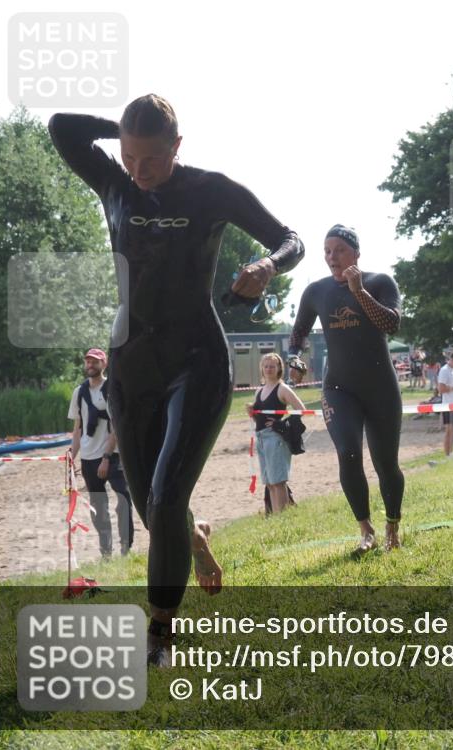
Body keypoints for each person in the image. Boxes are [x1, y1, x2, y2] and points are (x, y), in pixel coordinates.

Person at [49, 95, 304, 666]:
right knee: (152, 504)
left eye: (153, 159)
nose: (139, 171)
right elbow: (61, 126)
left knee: (165, 499)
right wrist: (120, 130)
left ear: (178, 147)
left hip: (197, 360)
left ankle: (160, 632)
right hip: (132, 363)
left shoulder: (210, 190)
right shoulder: (115, 184)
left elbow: (290, 238)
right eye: (130, 157)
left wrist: (268, 266)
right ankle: (194, 537)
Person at [288, 225, 404, 555]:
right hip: (339, 387)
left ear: (356, 253)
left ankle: (392, 525)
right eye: (327, 251)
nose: (332, 257)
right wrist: (295, 358)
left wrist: (359, 292)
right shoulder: (316, 291)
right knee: (348, 453)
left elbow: (391, 325)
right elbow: (298, 333)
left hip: (381, 388)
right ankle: (366, 530)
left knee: (386, 464)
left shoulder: (380, 282)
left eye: (339, 250)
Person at [68, 348, 133, 559]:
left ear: (104, 364)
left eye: (95, 361)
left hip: (112, 456)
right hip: (88, 458)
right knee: (98, 508)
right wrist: (70, 457)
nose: (90, 365)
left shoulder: (112, 390)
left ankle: (126, 548)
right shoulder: (79, 392)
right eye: (88, 361)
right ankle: (106, 552)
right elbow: (78, 429)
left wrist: (106, 457)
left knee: (123, 499)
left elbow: (117, 427)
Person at [246, 353, 306, 514]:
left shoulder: (282, 389)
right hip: (261, 438)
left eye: (272, 366)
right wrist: (252, 411)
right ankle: (276, 517)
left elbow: (301, 410)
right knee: (270, 483)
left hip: (275, 439)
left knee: (278, 482)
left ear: (279, 368)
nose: (268, 369)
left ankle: (283, 517)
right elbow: (258, 417)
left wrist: (281, 424)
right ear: (262, 368)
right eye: (266, 366)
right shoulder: (259, 391)